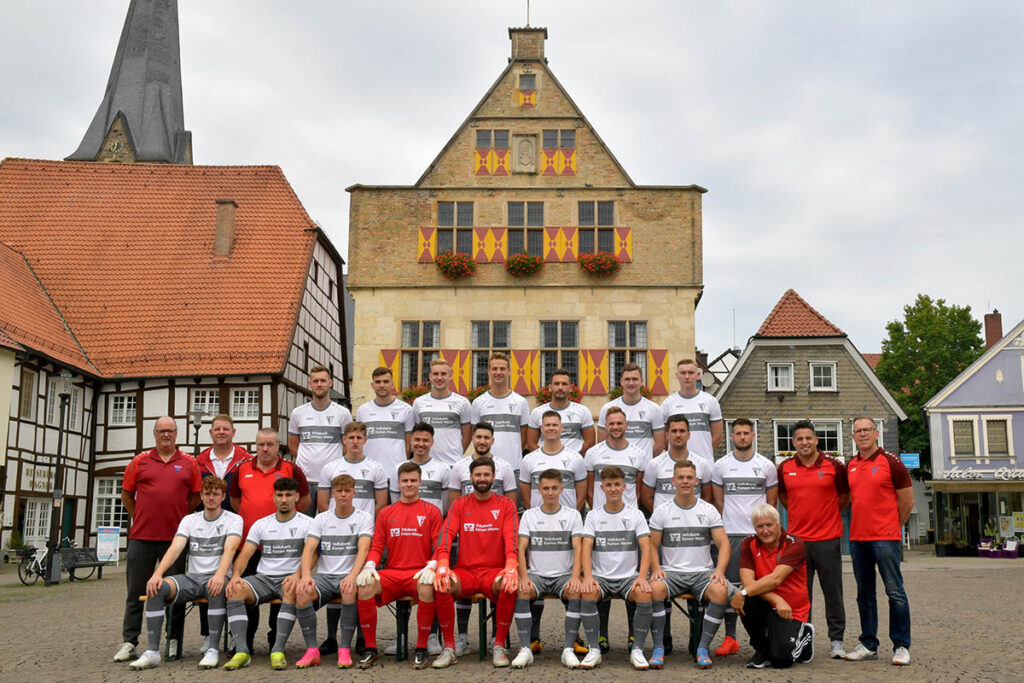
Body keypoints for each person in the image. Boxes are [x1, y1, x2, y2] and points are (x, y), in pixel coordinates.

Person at [128, 476, 243, 670]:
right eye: (207, 494)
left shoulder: (234, 519)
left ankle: (212, 649)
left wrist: (220, 574)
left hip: (217, 576)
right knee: (156, 588)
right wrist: (158, 574)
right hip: (192, 578)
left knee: (217, 587)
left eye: (216, 494)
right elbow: (175, 548)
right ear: (201, 496)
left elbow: (230, 550)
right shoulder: (189, 520)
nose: (211, 498)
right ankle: (153, 652)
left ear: (223, 496)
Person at [114, 417, 202, 664]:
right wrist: (139, 515)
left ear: (177, 434)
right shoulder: (139, 462)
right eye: (161, 431)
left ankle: (173, 640)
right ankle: (130, 642)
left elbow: (196, 496)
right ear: (154, 434)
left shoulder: (188, 463)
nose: (166, 435)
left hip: (175, 541)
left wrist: (179, 515)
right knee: (135, 592)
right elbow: (126, 494)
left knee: (175, 593)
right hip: (141, 537)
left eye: (170, 431)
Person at [356, 461, 457, 670]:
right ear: (398, 483)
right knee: (365, 587)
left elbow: (440, 545)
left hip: (419, 573)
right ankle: (370, 649)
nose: (409, 484)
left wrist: (432, 565)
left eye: (413, 480)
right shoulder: (386, 513)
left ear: (420, 482)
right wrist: (370, 565)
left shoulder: (431, 512)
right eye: (405, 481)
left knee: (428, 587)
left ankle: (421, 648)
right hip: (392, 574)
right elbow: (377, 545)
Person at [270, 474, 372, 670]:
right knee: (302, 592)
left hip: (348, 575)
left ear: (354, 493)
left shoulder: (363, 517)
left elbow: (364, 550)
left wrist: (352, 576)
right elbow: (309, 549)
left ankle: (344, 650)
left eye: (347, 491)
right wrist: (306, 576)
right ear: (333, 493)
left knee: (350, 590)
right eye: (339, 491)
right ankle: (312, 651)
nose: (343, 495)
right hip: (325, 577)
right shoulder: (321, 518)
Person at [228, 429, 311, 654]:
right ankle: (245, 642)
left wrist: (285, 524)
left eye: (270, 444)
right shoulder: (242, 469)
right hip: (251, 542)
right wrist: (256, 520)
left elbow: (304, 499)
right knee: (247, 593)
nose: (265, 449)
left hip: (284, 544)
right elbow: (235, 501)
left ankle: (276, 640)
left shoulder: (291, 469)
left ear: (278, 446)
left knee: (283, 589)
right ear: (255, 445)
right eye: (261, 444)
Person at [648, 459, 735, 669]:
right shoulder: (662, 511)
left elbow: (724, 545)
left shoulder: (708, 510)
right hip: (671, 573)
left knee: (721, 591)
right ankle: (658, 648)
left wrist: (720, 571)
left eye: (689, 478)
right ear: (673, 480)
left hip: (702, 573)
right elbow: (651, 545)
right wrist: (657, 569)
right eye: (681, 478)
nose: (685, 481)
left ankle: (702, 648)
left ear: (696, 481)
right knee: (653, 590)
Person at [434, 459, 520, 668]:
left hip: (494, 572)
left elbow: (512, 538)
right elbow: (445, 535)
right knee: (442, 585)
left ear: (494, 477)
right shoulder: (460, 504)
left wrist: (511, 565)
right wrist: (443, 563)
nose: (482, 479)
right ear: (471, 478)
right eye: (478, 475)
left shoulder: (506, 504)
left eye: (486, 475)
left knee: (509, 585)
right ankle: (450, 647)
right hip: (467, 572)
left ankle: (499, 645)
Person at [223, 477, 314, 670]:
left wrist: (298, 575)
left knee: (291, 589)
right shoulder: (261, 524)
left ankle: (277, 650)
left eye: (288, 495)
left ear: (297, 497)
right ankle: (241, 651)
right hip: (263, 578)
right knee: (234, 590)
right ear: (273, 497)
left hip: (289, 578)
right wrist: (236, 575)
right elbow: (245, 555)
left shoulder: (308, 523)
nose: (284, 499)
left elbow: (313, 556)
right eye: (279, 495)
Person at [777, 420, 850, 659]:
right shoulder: (785, 467)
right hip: (797, 543)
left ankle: (836, 641)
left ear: (816, 440)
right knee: (800, 595)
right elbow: (785, 499)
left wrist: (825, 516)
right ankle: (802, 640)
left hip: (828, 540)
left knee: (833, 593)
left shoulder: (834, 466)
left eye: (808, 438)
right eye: (799, 439)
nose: (804, 442)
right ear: (793, 442)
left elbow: (844, 497)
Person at [844, 417, 913, 666]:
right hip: (858, 539)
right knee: (865, 595)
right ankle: (869, 644)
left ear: (876, 434)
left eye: (867, 430)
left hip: (885, 538)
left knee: (895, 593)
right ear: (853, 437)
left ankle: (902, 645)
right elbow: (847, 498)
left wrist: (894, 527)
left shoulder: (891, 462)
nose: (862, 434)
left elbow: (907, 501)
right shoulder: (850, 465)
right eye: (858, 431)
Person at [710, 417, 778, 657]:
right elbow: (718, 501)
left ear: (753, 436)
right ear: (731, 436)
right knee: (731, 588)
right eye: (737, 433)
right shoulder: (721, 465)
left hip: (758, 537)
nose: (742, 437)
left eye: (746, 433)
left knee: (760, 587)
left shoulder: (766, 465)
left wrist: (765, 532)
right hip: (731, 535)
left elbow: (771, 501)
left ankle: (765, 635)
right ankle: (731, 638)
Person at [580, 466, 654, 671]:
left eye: (617, 485)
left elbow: (646, 547)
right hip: (601, 577)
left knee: (645, 594)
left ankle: (637, 649)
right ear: (602, 487)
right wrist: (588, 576)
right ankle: (593, 649)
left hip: (628, 577)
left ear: (624, 487)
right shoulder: (593, 515)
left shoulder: (636, 515)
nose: (613, 489)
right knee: (587, 592)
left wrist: (641, 577)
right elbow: (586, 548)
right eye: (609, 485)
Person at [510, 469, 585, 670]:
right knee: (522, 589)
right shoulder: (529, 516)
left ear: (561, 489)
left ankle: (568, 649)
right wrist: (524, 576)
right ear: (539, 490)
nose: (550, 492)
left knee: (576, 590)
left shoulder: (573, 515)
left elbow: (578, 548)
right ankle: (526, 649)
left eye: (554, 488)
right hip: (537, 575)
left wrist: (576, 576)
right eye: (546, 488)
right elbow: (522, 548)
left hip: (563, 575)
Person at [730, 504, 814, 669]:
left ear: (778, 524)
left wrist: (744, 592)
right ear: (754, 528)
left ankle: (804, 634)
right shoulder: (749, 543)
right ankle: (761, 649)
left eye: (769, 525)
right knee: (746, 598)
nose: (765, 531)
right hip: (768, 603)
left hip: (791, 609)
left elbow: (776, 579)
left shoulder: (794, 544)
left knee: (781, 660)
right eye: (760, 526)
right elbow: (747, 583)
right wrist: (775, 598)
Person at [289, 364, 352, 515]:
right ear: (309, 384)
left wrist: (334, 464)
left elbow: (347, 445)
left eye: (323, 381)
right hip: (305, 479)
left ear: (330, 383)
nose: (319, 384)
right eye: (315, 381)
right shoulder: (298, 413)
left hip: (333, 480)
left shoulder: (342, 413)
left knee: (329, 522)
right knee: (304, 523)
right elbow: (292, 445)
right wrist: (308, 461)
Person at [470, 352, 530, 475]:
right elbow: (475, 437)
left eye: (502, 369)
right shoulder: (478, 402)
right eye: (494, 369)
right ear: (489, 371)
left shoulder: (520, 402)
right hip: (485, 470)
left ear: (509, 371)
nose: (498, 372)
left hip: (513, 468)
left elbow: (524, 438)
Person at [658, 359, 723, 469]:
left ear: (698, 375)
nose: (687, 377)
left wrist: (704, 452)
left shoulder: (710, 401)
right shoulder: (667, 404)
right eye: (683, 373)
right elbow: (663, 438)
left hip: (705, 466)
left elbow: (718, 436)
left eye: (690, 373)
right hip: (676, 467)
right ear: (677, 375)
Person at [641, 415, 713, 513]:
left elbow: (707, 496)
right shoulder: (654, 464)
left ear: (689, 434)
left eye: (682, 431)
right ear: (667, 435)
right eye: (674, 431)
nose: (678, 435)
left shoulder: (702, 464)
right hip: (664, 526)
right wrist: (664, 516)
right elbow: (646, 498)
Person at [520, 410, 587, 511]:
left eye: (555, 425)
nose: (551, 428)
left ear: (561, 428)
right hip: (539, 521)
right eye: (547, 425)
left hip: (567, 521)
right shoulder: (529, 459)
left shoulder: (576, 458)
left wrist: (573, 515)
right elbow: (525, 498)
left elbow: (582, 497)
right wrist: (535, 515)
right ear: (542, 428)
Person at [585, 407, 650, 510]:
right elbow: (589, 493)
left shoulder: (639, 454)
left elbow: (638, 493)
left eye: (619, 423)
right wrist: (599, 512)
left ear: (626, 425)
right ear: (606, 426)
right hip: (601, 519)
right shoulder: (592, 453)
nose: (615, 427)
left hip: (628, 519)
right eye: (611, 424)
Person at [317, 422, 387, 516]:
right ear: (344, 440)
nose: (355, 441)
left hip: (364, 527)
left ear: (365, 440)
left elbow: (382, 504)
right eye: (351, 437)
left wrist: (366, 521)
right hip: (335, 526)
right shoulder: (329, 468)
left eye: (359, 438)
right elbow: (322, 504)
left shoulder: (376, 468)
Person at [597, 362, 665, 459]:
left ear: (641, 381)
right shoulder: (607, 408)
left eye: (635, 379)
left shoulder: (653, 409)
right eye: (627, 379)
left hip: (642, 470)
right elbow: (601, 444)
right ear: (621, 381)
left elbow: (660, 445)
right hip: (616, 467)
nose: (631, 383)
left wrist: (644, 461)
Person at [412, 358, 473, 466]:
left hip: (453, 464)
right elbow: (417, 434)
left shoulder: (462, 403)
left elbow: (467, 436)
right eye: (436, 374)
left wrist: (455, 453)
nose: (439, 378)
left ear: (450, 375)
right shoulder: (419, 403)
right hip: (426, 465)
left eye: (443, 374)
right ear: (430, 376)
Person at [357, 367, 414, 480]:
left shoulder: (406, 409)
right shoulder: (362, 411)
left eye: (386, 381)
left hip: (396, 475)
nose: (382, 385)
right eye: (378, 382)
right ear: (372, 385)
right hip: (369, 475)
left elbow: (408, 444)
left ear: (392, 384)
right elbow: (359, 443)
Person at [526, 368, 596, 455]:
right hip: (547, 466)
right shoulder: (537, 412)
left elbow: (590, 442)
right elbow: (531, 443)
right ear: (550, 387)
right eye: (556, 384)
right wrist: (544, 457)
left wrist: (576, 459)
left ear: (570, 388)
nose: (560, 387)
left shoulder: (582, 411)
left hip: (573, 466)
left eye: (564, 384)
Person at [447, 422, 518, 506]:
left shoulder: (505, 466)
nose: (482, 441)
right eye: (478, 437)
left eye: (486, 438)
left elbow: (511, 505)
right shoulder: (458, 466)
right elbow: (454, 505)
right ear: (472, 439)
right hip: (468, 518)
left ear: (492, 440)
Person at [390, 422, 452, 516]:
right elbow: (395, 501)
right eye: (417, 440)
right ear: (411, 440)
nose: (421, 444)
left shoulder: (444, 469)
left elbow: (446, 504)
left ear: (432, 442)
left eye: (425, 440)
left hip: (434, 525)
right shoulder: (397, 468)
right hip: (406, 524)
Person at [196, 414, 251, 507]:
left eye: (225, 429)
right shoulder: (198, 462)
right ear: (211, 432)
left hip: (238, 519)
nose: (221, 432)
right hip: (207, 519)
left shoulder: (247, 461)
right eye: (217, 429)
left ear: (233, 432)